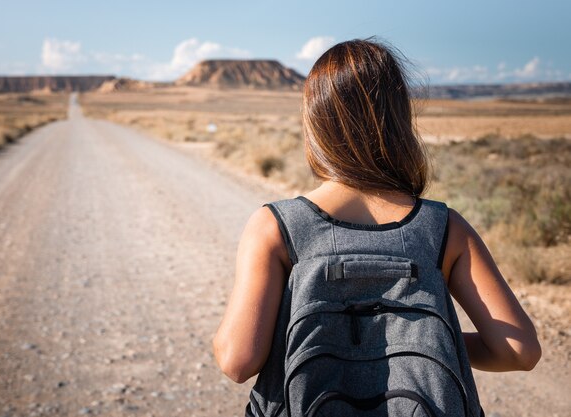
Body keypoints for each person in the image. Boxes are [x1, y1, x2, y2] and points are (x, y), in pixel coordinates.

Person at [213, 38, 541, 414]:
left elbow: (238, 361)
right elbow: (520, 350)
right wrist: (422, 338)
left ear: (315, 123)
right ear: (399, 121)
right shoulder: (443, 227)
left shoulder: (276, 225)